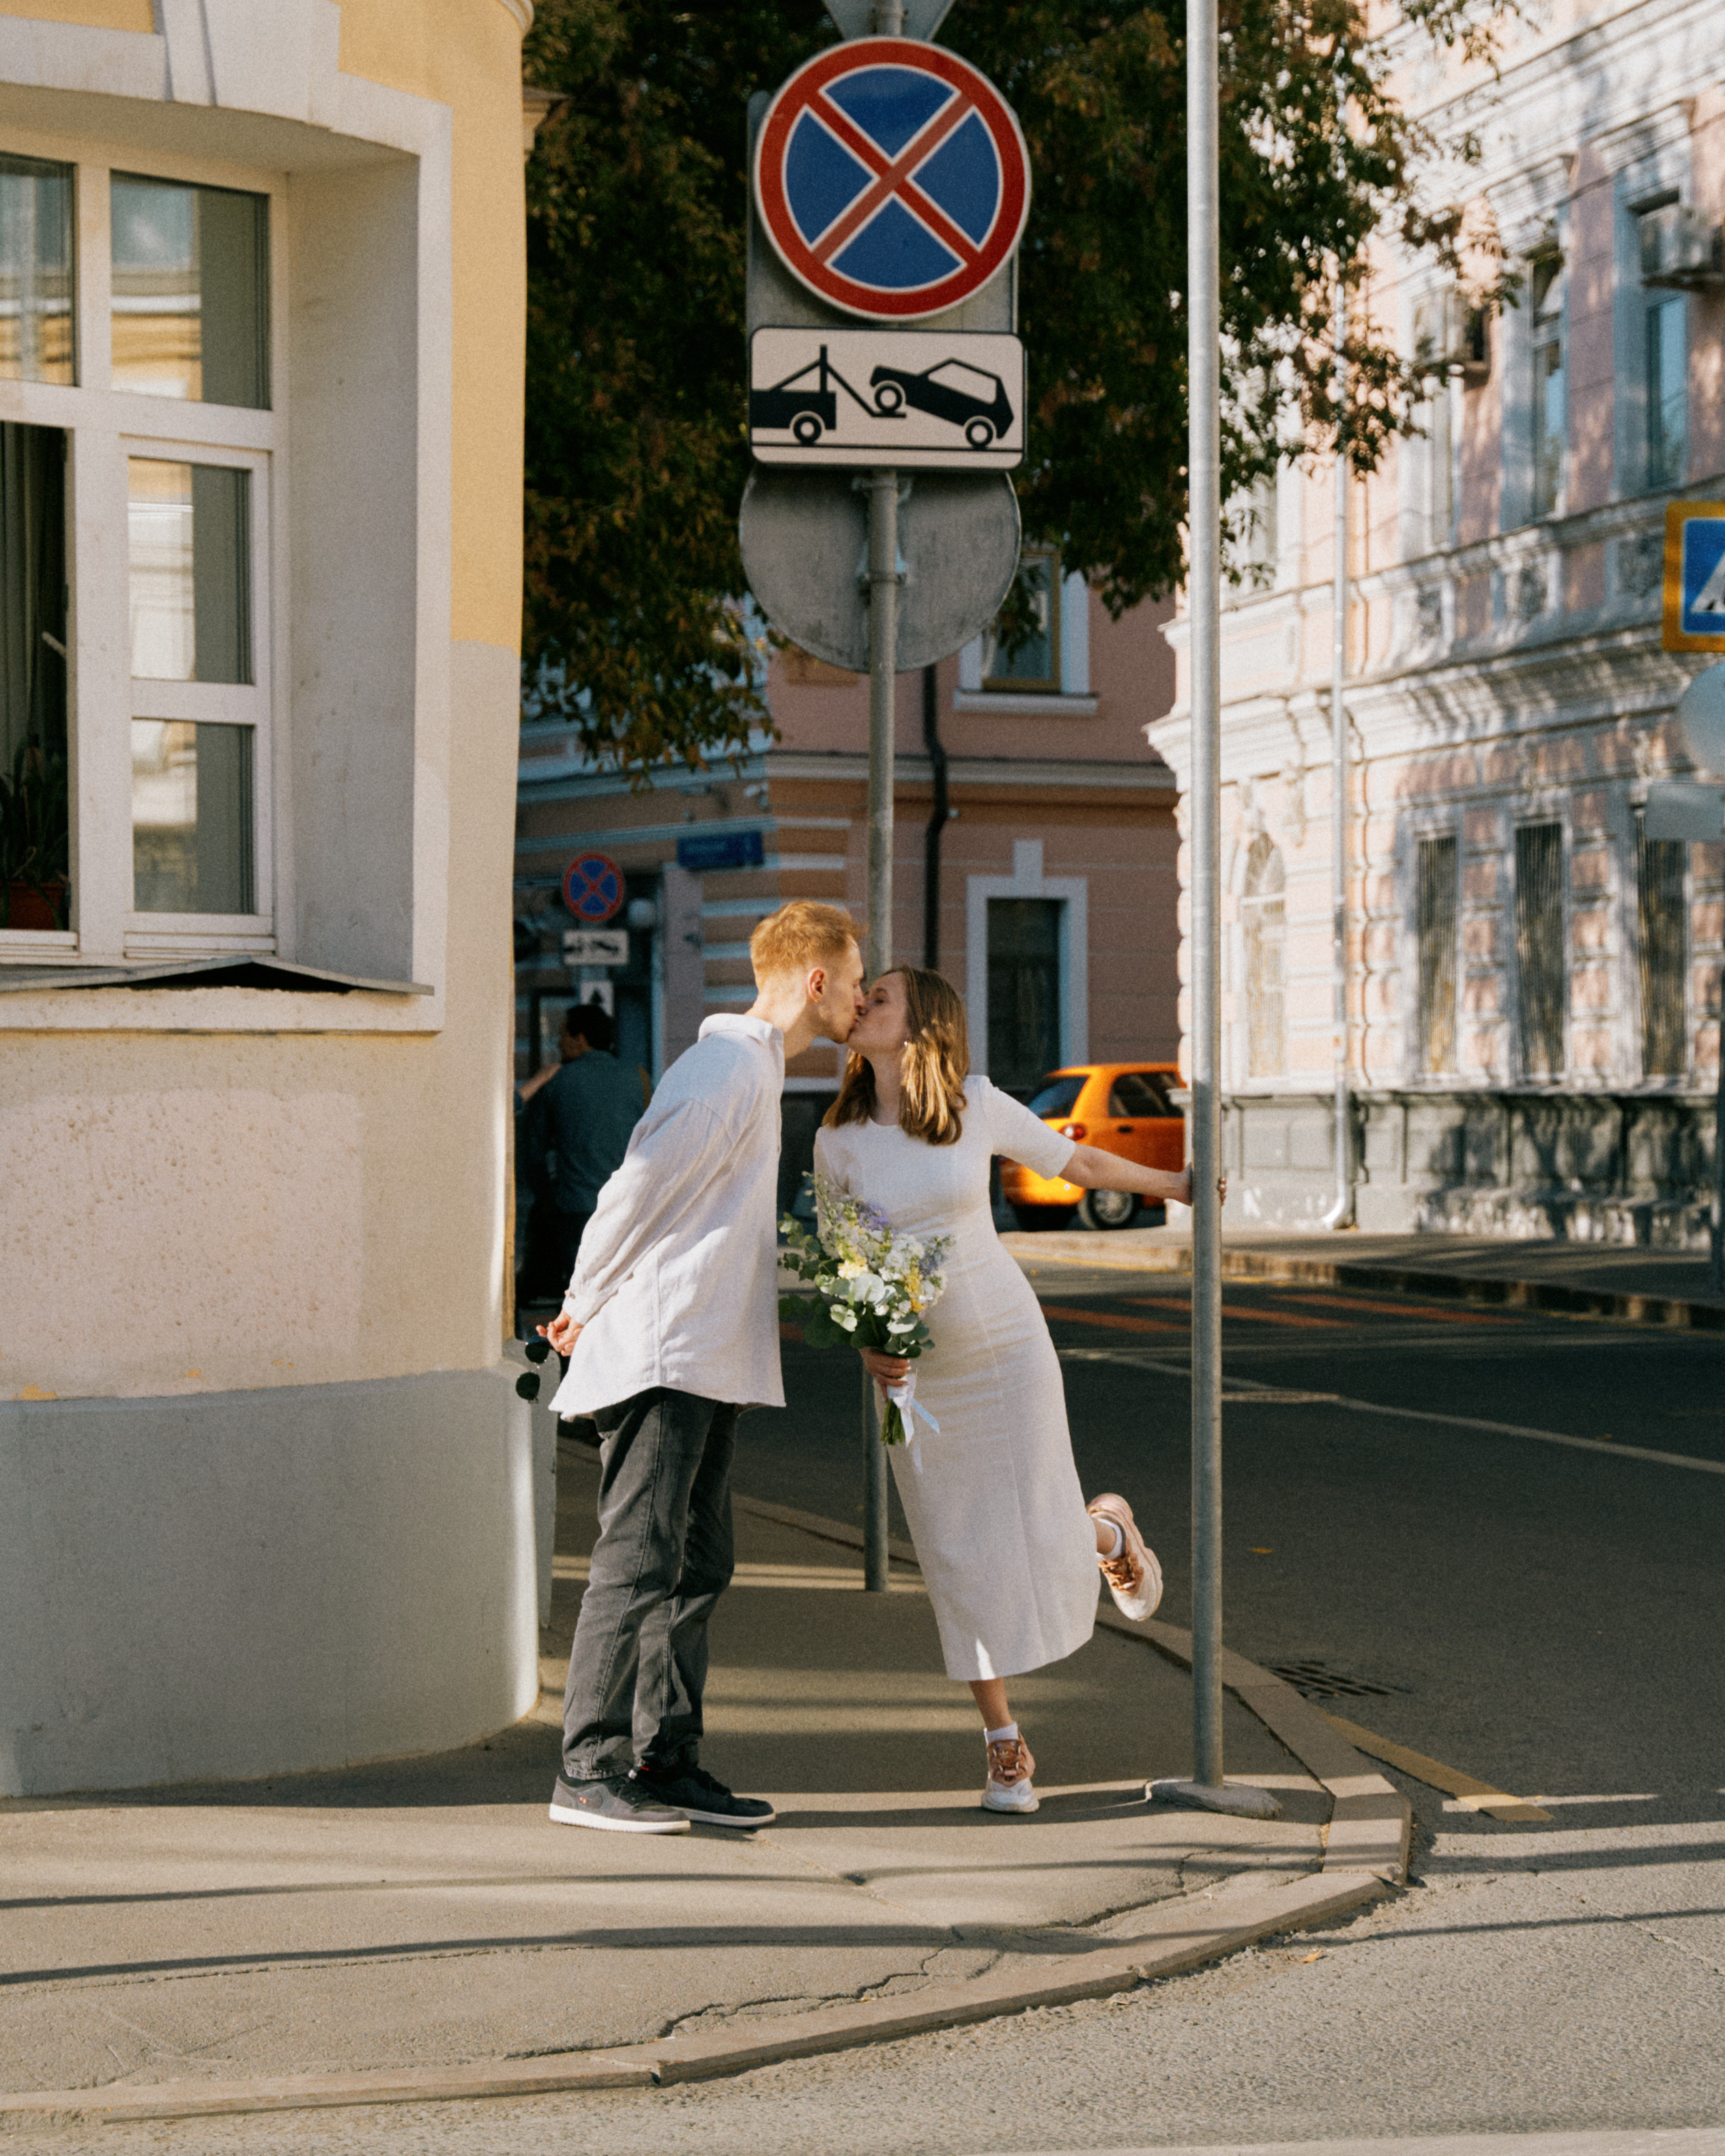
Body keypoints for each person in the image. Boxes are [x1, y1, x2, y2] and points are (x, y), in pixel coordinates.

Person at [814, 967, 1220, 1817]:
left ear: (920, 1023)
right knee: (955, 1549)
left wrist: (1177, 1186)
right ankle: (1002, 1739)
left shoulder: (975, 1105)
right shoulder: (838, 1137)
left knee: (1034, 1519)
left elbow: (1072, 1158)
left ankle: (1103, 1529)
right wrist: (868, 1348)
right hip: (916, 1372)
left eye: (878, 996)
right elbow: (843, 1260)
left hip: (1003, 1343)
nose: (860, 1005)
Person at [539, 901, 867, 1835]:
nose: (856, 995)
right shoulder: (725, 1068)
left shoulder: (752, 1073)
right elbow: (637, 1185)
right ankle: (587, 1771)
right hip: (667, 1350)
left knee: (697, 1565)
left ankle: (664, 1759)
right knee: (637, 1561)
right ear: (815, 981)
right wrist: (581, 1297)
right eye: (852, 980)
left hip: (711, 1358)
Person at [527, 1002, 648, 1290]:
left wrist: (548, 1198)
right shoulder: (640, 1078)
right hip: (629, 1207)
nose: (558, 1042)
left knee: (582, 1294)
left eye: (562, 1035)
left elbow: (533, 1154)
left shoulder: (556, 1083)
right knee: (627, 1290)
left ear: (579, 1038)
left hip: (576, 1209)